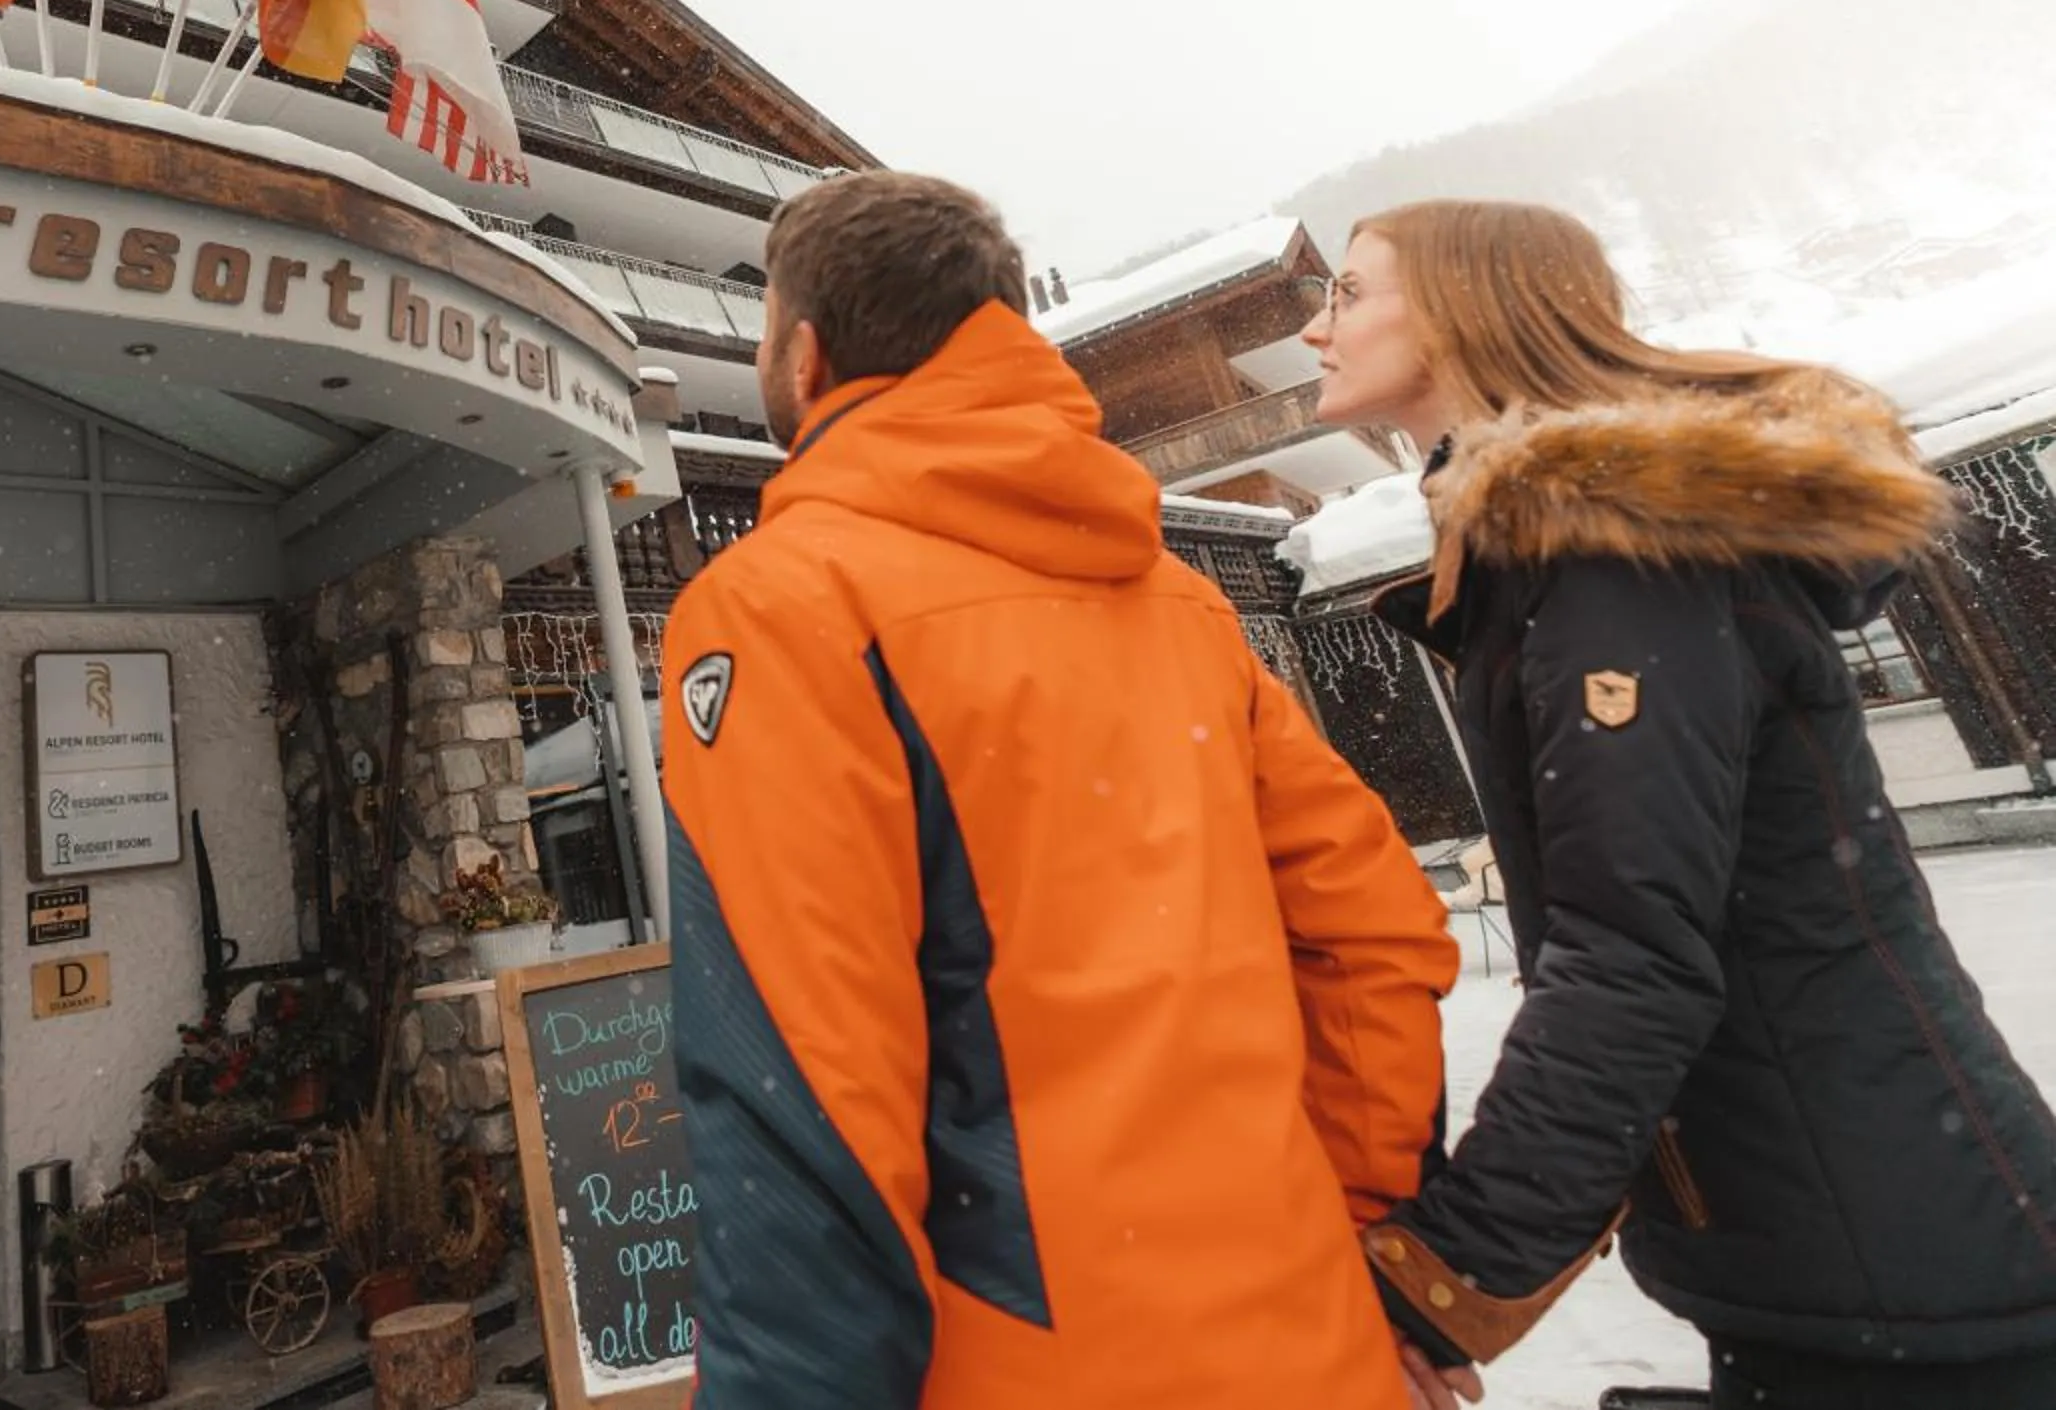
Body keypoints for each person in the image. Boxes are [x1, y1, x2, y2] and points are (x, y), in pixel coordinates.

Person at [661, 170, 1460, 1409]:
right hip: (1308, 1343)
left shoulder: (782, 606)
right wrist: (1353, 1226)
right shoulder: (1184, 607)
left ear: (805, 356)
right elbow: (1374, 934)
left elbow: (802, 1100)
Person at [1305, 199, 2056, 1410]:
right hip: (1828, 1251)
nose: (1312, 326)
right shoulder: (1556, 554)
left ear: (1461, 307)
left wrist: (1442, 1276)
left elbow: (1630, 957)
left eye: (1347, 291)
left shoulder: (1616, 561)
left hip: (1892, 1265)